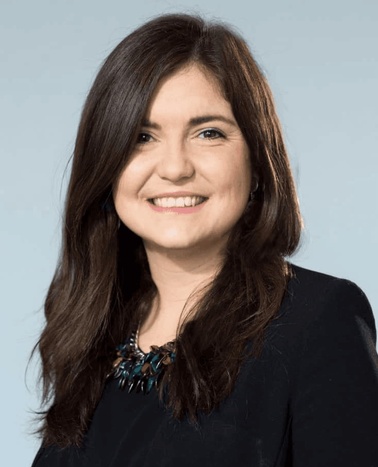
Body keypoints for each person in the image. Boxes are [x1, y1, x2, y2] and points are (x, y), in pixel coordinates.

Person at [31, 13, 378, 467]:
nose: (175, 168)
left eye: (208, 133)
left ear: (256, 159)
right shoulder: (92, 336)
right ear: (106, 167)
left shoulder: (319, 320)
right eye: (141, 137)